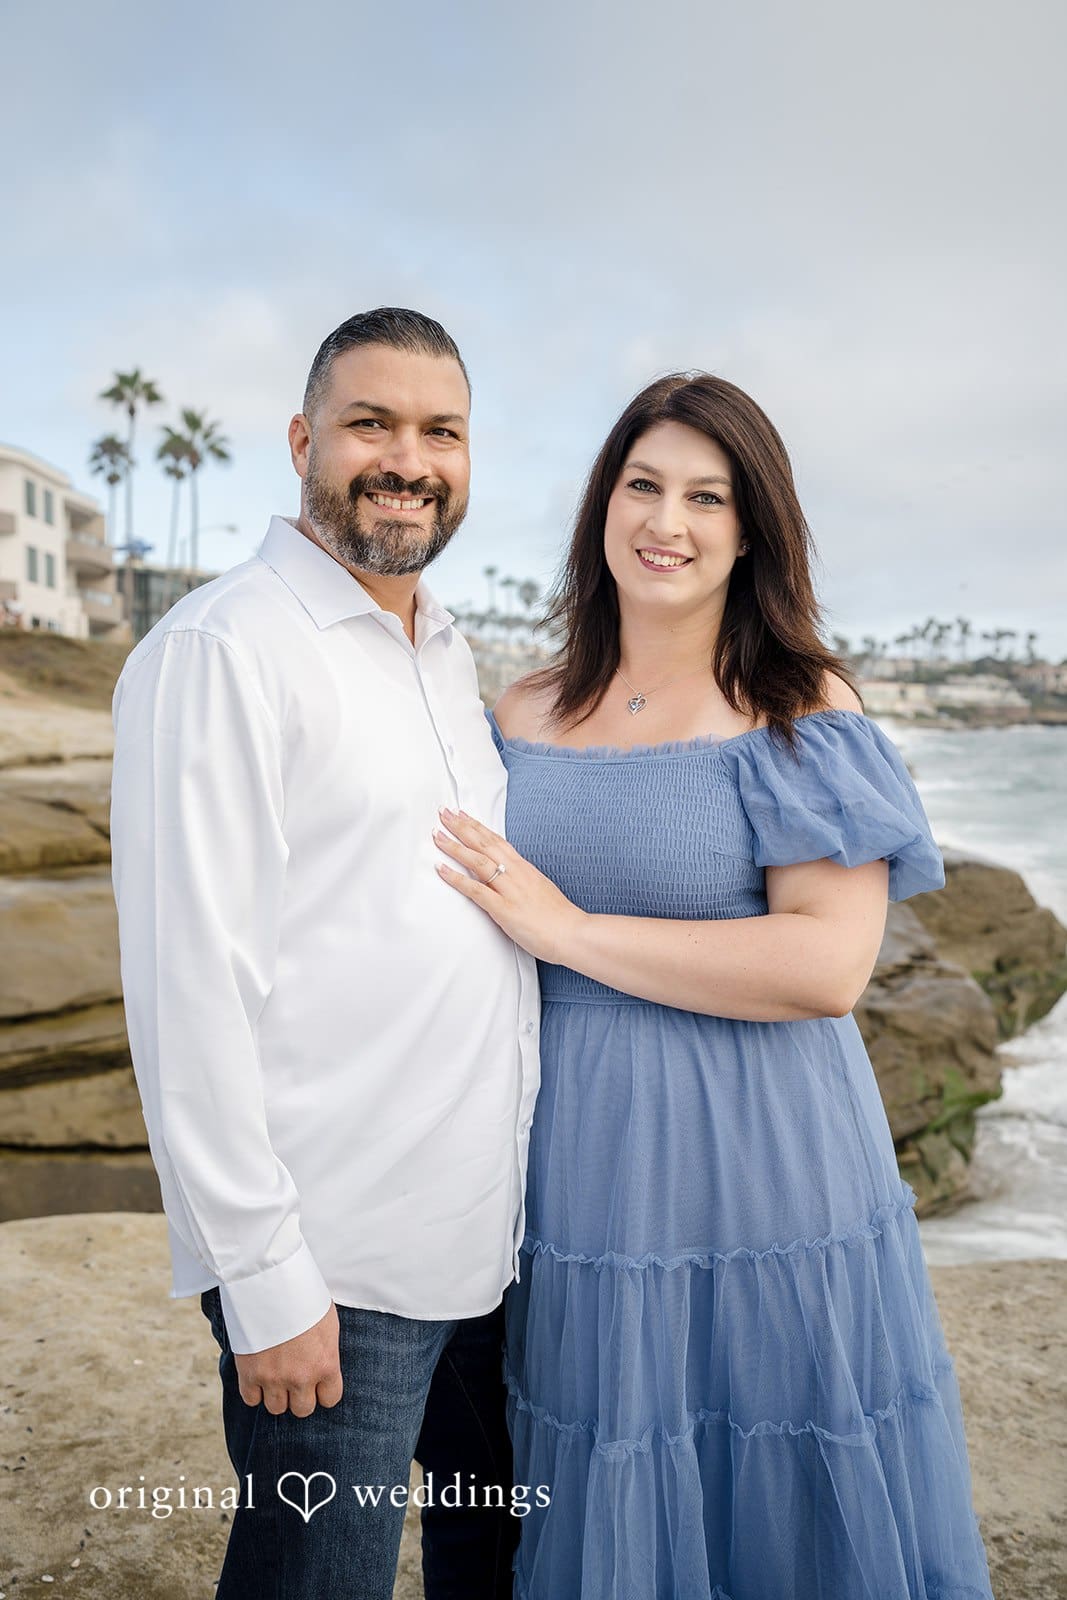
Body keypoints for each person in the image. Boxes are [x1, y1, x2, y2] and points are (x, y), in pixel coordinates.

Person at [434, 372, 995, 1598]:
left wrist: (569, 929)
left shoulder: (798, 708)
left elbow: (824, 964)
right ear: (601, 505)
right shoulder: (522, 707)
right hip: (573, 1155)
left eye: (706, 496)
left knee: (771, 1456)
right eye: (642, 485)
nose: (666, 522)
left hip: (764, 1148)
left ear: (750, 531)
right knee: (605, 1452)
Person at [110, 307, 540, 1600]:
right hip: (335, 1265)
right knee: (318, 1582)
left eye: (439, 431)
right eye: (370, 424)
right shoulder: (223, 650)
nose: (405, 458)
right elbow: (191, 993)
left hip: (487, 1240)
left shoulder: (445, 655)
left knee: (495, 1553)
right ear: (304, 441)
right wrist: (264, 1278)